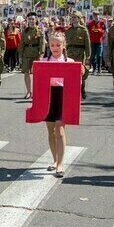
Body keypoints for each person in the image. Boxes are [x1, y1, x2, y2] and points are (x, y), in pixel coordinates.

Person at [40, 32, 80, 178]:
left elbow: (76, 84)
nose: (55, 48)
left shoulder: (70, 62)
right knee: (51, 130)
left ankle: (61, 164)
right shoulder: (44, 61)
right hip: (48, 96)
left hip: (63, 95)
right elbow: (38, 81)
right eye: (52, 45)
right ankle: (55, 159)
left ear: (64, 46)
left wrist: (80, 73)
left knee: (60, 129)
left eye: (58, 45)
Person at [65, 12, 92, 99]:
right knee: (69, 73)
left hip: (80, 53)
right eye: (72, 17)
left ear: (79, 19)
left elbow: (87, 45)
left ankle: (82, 89)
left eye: (75, 17)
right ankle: (71, 91)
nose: (73, 19)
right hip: (70, 54)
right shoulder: (68, 31)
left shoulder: (83, 30)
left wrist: (88, 57)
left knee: (81, 73)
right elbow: (65, 44)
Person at [19, 14, 45, 99]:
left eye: (33, 19)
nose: (31, 21)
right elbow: (22, 44)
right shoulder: (25, 31)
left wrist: (41, 54)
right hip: (26, 53)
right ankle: (28, 91)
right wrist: (20, 56)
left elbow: (42, 44)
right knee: (26, 73)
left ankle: (35, 91)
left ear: (36, 20)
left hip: (35, 54)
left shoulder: (39, 30)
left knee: (35, 74)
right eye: (29, 19)